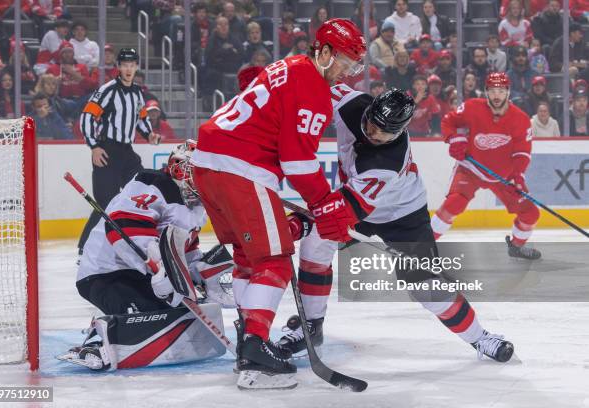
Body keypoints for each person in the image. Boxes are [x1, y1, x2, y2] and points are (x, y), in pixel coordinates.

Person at [276, 85, 516, 366]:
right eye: (371, 124)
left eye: (385, 133)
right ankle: (311, 327)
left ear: (400, 131)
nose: (374, 134)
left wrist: (296, 225)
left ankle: (481, 337)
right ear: (369, 109)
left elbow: (341, 213)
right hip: (358, 202)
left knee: (425, 286)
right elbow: (308, 83)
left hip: (403, 216)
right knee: (316, 244)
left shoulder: (385, 161)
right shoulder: (349, 103)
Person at [191, 18, 366, 390]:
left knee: (246, 257)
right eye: (344, 63)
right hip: (242, 167)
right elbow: (298, 162)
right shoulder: (313, 87)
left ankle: (246, 343)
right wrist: (325, 204)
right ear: (323, 51)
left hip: (208, 163)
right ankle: (256, 350)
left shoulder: (287, 67)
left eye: (353, 67)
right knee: (274, 260)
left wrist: (320, 204)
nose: (346, 73)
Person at [67, 142, 235, 371]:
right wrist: (159, 267)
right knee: (143, 319)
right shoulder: (152, 182)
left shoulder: (196, 206)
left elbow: (186, 250)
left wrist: (201, 273)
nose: (201, 179)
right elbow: (125, 224)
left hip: (142, 275)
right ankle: (98, 339)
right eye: (196, 172)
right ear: (178, 168)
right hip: (106, 273)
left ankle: (114, 319)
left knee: (176, 318)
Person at [430, 72, 541, 259]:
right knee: (455, 202)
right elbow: (448, 121)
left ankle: (516, 246)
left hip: (503, 176)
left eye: (501, 91)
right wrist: (454, 138)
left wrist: (518, 176)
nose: (496, 95)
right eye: (492, 91)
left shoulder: (520, 119)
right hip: (471, 168)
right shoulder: (472, 107)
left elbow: (522, 152)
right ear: (486, 92)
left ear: (508, 92)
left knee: (530, 214)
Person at [77, 48, 161, 255]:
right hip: (107, 151)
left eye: (132, 64)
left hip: (127, 153)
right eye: (125, 65)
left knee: (143, 190)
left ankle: (143, 239)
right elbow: (87, 117)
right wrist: (94, 146)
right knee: (106, 204)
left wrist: (149, 134)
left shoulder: (137, 92)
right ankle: (83, 248)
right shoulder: (108, 90)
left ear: (136, 66)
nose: (128, 69)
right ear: (118, 67)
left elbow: (140, 118)